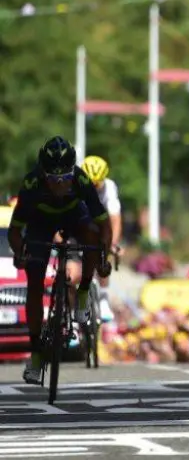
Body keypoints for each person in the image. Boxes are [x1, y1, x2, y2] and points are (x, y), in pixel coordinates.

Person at [7, 136, 112, 384]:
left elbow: (104, 224)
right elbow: (15, 230)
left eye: (65, 178)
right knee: (34, 284)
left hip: (74, 217)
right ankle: (36, 356)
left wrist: (103, 256)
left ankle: (83, 292)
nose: (60, 184)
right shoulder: (32, 184)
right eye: (53, 180)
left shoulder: (81, 180)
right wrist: (20, 252)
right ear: (44, 175)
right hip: (40, 224)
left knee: (92, 236)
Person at [81, 156, 122, 322]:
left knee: (103, 255)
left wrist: (113, 244)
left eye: (97, 184)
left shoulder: (109, 188)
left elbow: (115, 220)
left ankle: (103, 298)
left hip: (100, 223)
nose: (94, 188)